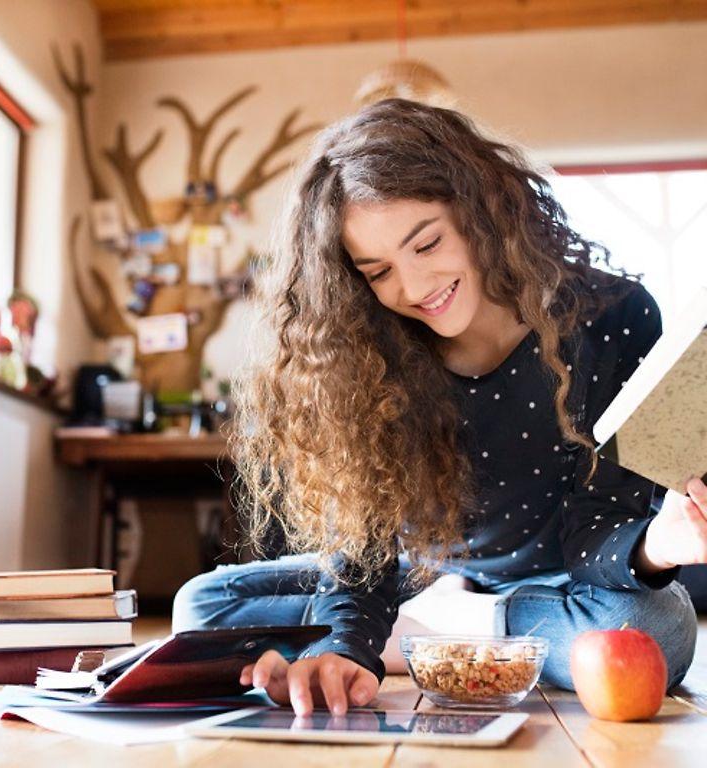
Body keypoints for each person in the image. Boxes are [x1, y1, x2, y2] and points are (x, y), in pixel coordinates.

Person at [173, 98, 703, 717]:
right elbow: (364, 555)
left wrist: (655, 546)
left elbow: (600, 521)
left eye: (426, 244)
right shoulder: (367, 356)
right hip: (422, 576)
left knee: (657, 630)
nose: (416, 287)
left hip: (569, 579)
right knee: (201, 608)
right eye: (379, 272)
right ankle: (451, 630)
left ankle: (456, 628)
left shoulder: (612, 317)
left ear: (480, 209)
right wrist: (349, 648)